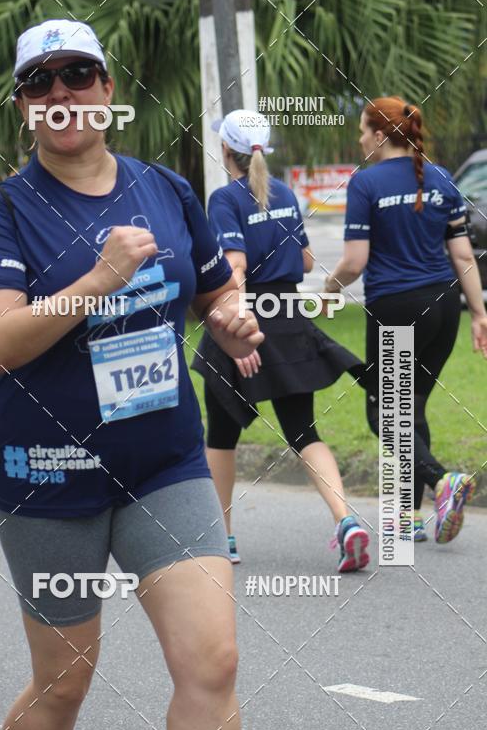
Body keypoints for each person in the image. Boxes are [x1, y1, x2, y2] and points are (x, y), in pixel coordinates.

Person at [0, 19, 262, 730]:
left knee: (213, 662)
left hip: (164, 462)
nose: (61, 93)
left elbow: (213, 289)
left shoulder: (164, 188)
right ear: (23, 106)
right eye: (40, 82)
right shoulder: (0, 211)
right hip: (48, 474)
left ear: (107, 88)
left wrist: (231, 320)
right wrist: (96, 281)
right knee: (64, 682)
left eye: (77, 74)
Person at [192, 109, 370, 573]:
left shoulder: (224, 198)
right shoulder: (286, 194)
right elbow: (306, 260)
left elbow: (235, 267)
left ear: (226, 150)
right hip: (288, 314)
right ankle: (346, 521)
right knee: (303, 431)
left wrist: (240, 329)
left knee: (221, 435)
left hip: (248, 312)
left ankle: (222, 539)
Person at [325, 96, 487, 544]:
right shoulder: (441, 177)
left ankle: (442, 481)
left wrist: (328, 289)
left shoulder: (365, 183)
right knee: (410, 407)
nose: (360, 139)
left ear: (380, 136)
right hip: (444, 308)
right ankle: (408, 518)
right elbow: (463, 255)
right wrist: (479, 313)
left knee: (384, 411)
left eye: (363, 130)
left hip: (397, 310)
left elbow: (354, 262)